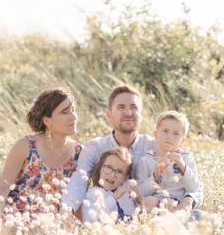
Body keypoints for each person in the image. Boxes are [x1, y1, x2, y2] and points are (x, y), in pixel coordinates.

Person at [62, 85, 203, 218]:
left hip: (152, 216)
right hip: (110, 217)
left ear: (141, 116)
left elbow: (193, 184)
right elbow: (79, 182)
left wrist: (189, 200)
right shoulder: (96, 146)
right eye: (121, 107)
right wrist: (67, 211)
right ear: (109, 115)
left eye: (133, 108)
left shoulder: (158, 145)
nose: (128, 113)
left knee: (200, 218)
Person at [0, 88, 81, 220]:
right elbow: (2, 187)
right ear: (47, 121)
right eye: (65, 112)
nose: (73, 117)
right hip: (14, 211)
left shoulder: (80, 153)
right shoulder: (25, 146)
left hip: (50, 220)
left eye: (73, 109)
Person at [134, 110, 201, 213]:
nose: (170, 136)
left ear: (182, 140)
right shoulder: (146, 160)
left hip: (179, 200)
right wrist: (155, 176)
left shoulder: (186, 158)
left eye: (176, 133)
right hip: (156, 199)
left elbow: (194, 186)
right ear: (156, 134)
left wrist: (183, 167)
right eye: (165, 131)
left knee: (176, 205)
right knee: (148, 202)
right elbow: (141, 191)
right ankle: (152, 226)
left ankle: (175, 225)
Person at [81, 147, 142, 224]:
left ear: (125, 178)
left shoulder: (127, 193)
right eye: (109, 168)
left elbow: (142, 215)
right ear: (100, 168)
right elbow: (90, 219)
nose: (112, 175)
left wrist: (139, 199)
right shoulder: (93, 194)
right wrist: (114, 197)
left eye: (119, 172)